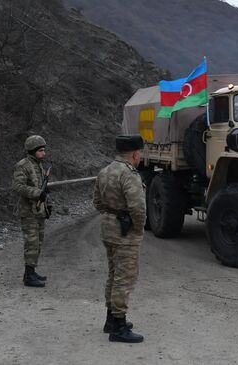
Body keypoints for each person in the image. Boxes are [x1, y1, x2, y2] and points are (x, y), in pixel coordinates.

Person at [93, 135, 147, 343]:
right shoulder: (129, 174)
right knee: (125, 278)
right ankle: (119, 327)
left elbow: (97, 202)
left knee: (114, 274)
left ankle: (111, 320)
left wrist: (112, 214)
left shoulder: (105, 171)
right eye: (140, 154)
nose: (140, 157)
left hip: (108, 229)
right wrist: (138, 229)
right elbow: (138, 208)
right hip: (125, 233)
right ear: (134, 153)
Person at [12, 135, 50, 287]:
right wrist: (36, 193)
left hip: (38, 210)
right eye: (41, 150)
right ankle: (28, 276)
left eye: (44, 150)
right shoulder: (23, 165)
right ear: (33, 150)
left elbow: (40, 187)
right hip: (28, 212)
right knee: (31, 243)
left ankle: (31, 271)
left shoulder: (38, 165)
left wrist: (46, 200)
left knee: (38, 242)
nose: (44, 153)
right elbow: (18, 186)